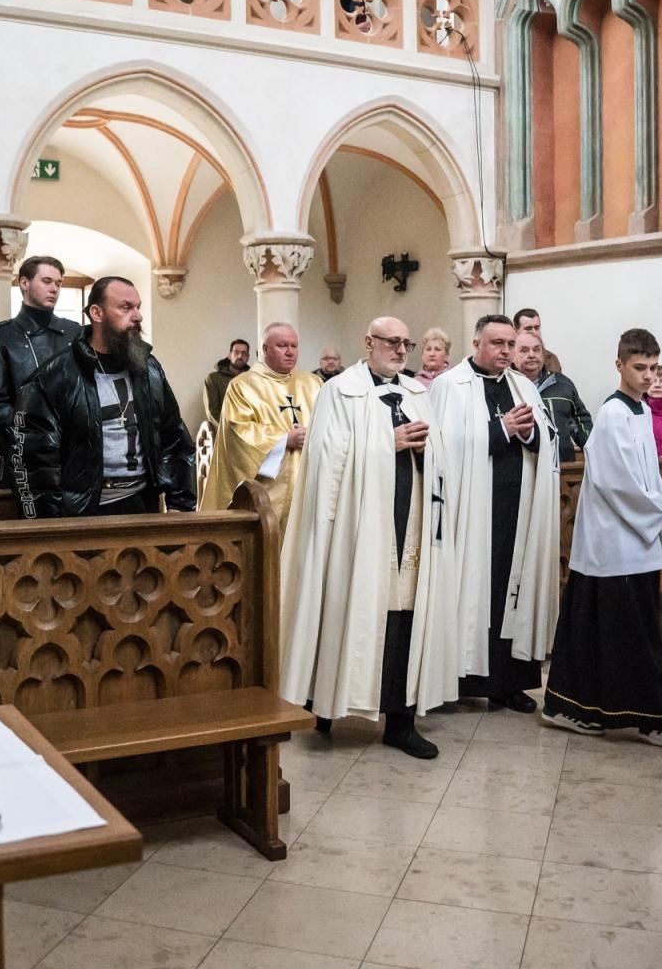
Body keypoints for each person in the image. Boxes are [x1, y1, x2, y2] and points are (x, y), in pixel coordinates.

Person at [280, 316, 460, 759]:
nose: (401, 350)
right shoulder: (340, 391)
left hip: (409, 517)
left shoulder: (419, 393)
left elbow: (441, 453)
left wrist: (426, 448)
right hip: (355, 528)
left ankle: (399, 721)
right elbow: (326, 458)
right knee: (346, 606)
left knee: (402, 614)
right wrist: (389, 441)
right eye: (392, 342)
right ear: (368, 343)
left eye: (406, 343)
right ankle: (325, 707)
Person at [542, 329, 662, 750]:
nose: (649, 376)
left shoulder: (640, 411)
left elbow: (646, 474)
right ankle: (656, 719)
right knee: (634, 636)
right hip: (618, 544)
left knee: (600, 632)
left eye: (653, 367)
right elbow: (617, 483)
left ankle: (571, 707)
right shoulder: (613, 414)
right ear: (620, 365)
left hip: (630, 540)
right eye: (639, 368)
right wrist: (659, 508)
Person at [432, 314, 559, 712]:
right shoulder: (449, 386)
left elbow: (551, 437)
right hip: (469, 513)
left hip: (517, 509)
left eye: (510, 344)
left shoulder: (524, 385)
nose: (505, 352)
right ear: (476, 344)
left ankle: (508, 684)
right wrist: (499, 430)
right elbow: (441, 448)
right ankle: (457, 682)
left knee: (512, 592)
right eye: (498, 344)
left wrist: (530, 434)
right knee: (471, 591)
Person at [15, 276, 195, 517]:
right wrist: (50, 525)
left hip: (142, 506)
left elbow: (174, 439)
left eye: (138, 307)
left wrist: (179, 504)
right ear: (97, 313)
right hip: (82, 511)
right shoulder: (55, 376)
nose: (138, 316)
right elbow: (35, 461)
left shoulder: (149, 370)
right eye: (125, 307)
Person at [200, 322, 324, 521]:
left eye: (294, 346)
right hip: (268, 488)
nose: (290, 352)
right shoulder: (242, 385)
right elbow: (238, 430)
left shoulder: (313, 383)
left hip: (309, 482)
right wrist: (284, 439)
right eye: (282, 346)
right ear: (265, 349)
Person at [0, 256, 81, 484]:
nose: (54, 288)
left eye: (59, 283)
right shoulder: (0, 336)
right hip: (23, 456)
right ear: (24, 283)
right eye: (46, 281)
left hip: (74, 454)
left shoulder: (74, 333)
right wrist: (35, 435)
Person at [523, 325, 591, 462]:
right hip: (523, 469)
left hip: (562, 467)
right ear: (513, 355)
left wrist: (593, 450)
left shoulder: (563, 384)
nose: (531, 355)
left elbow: (581, 422)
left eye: (536, 350)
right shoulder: (506, 385)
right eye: (524, 350)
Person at [203, 338, 251, 427]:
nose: (240, 356)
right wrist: (229, 431)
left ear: (248, 357)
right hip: (225, 431)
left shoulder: (253, 379)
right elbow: (212, 411)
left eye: (244, 353)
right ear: (229, 355)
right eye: (236, 352)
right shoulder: (214, 379)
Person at [513, 307, 563, 375]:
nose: (534, 332)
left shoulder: (551, 359)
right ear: (515, 330)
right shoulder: (507, 357)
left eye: (537, 328)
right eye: (528, 328)